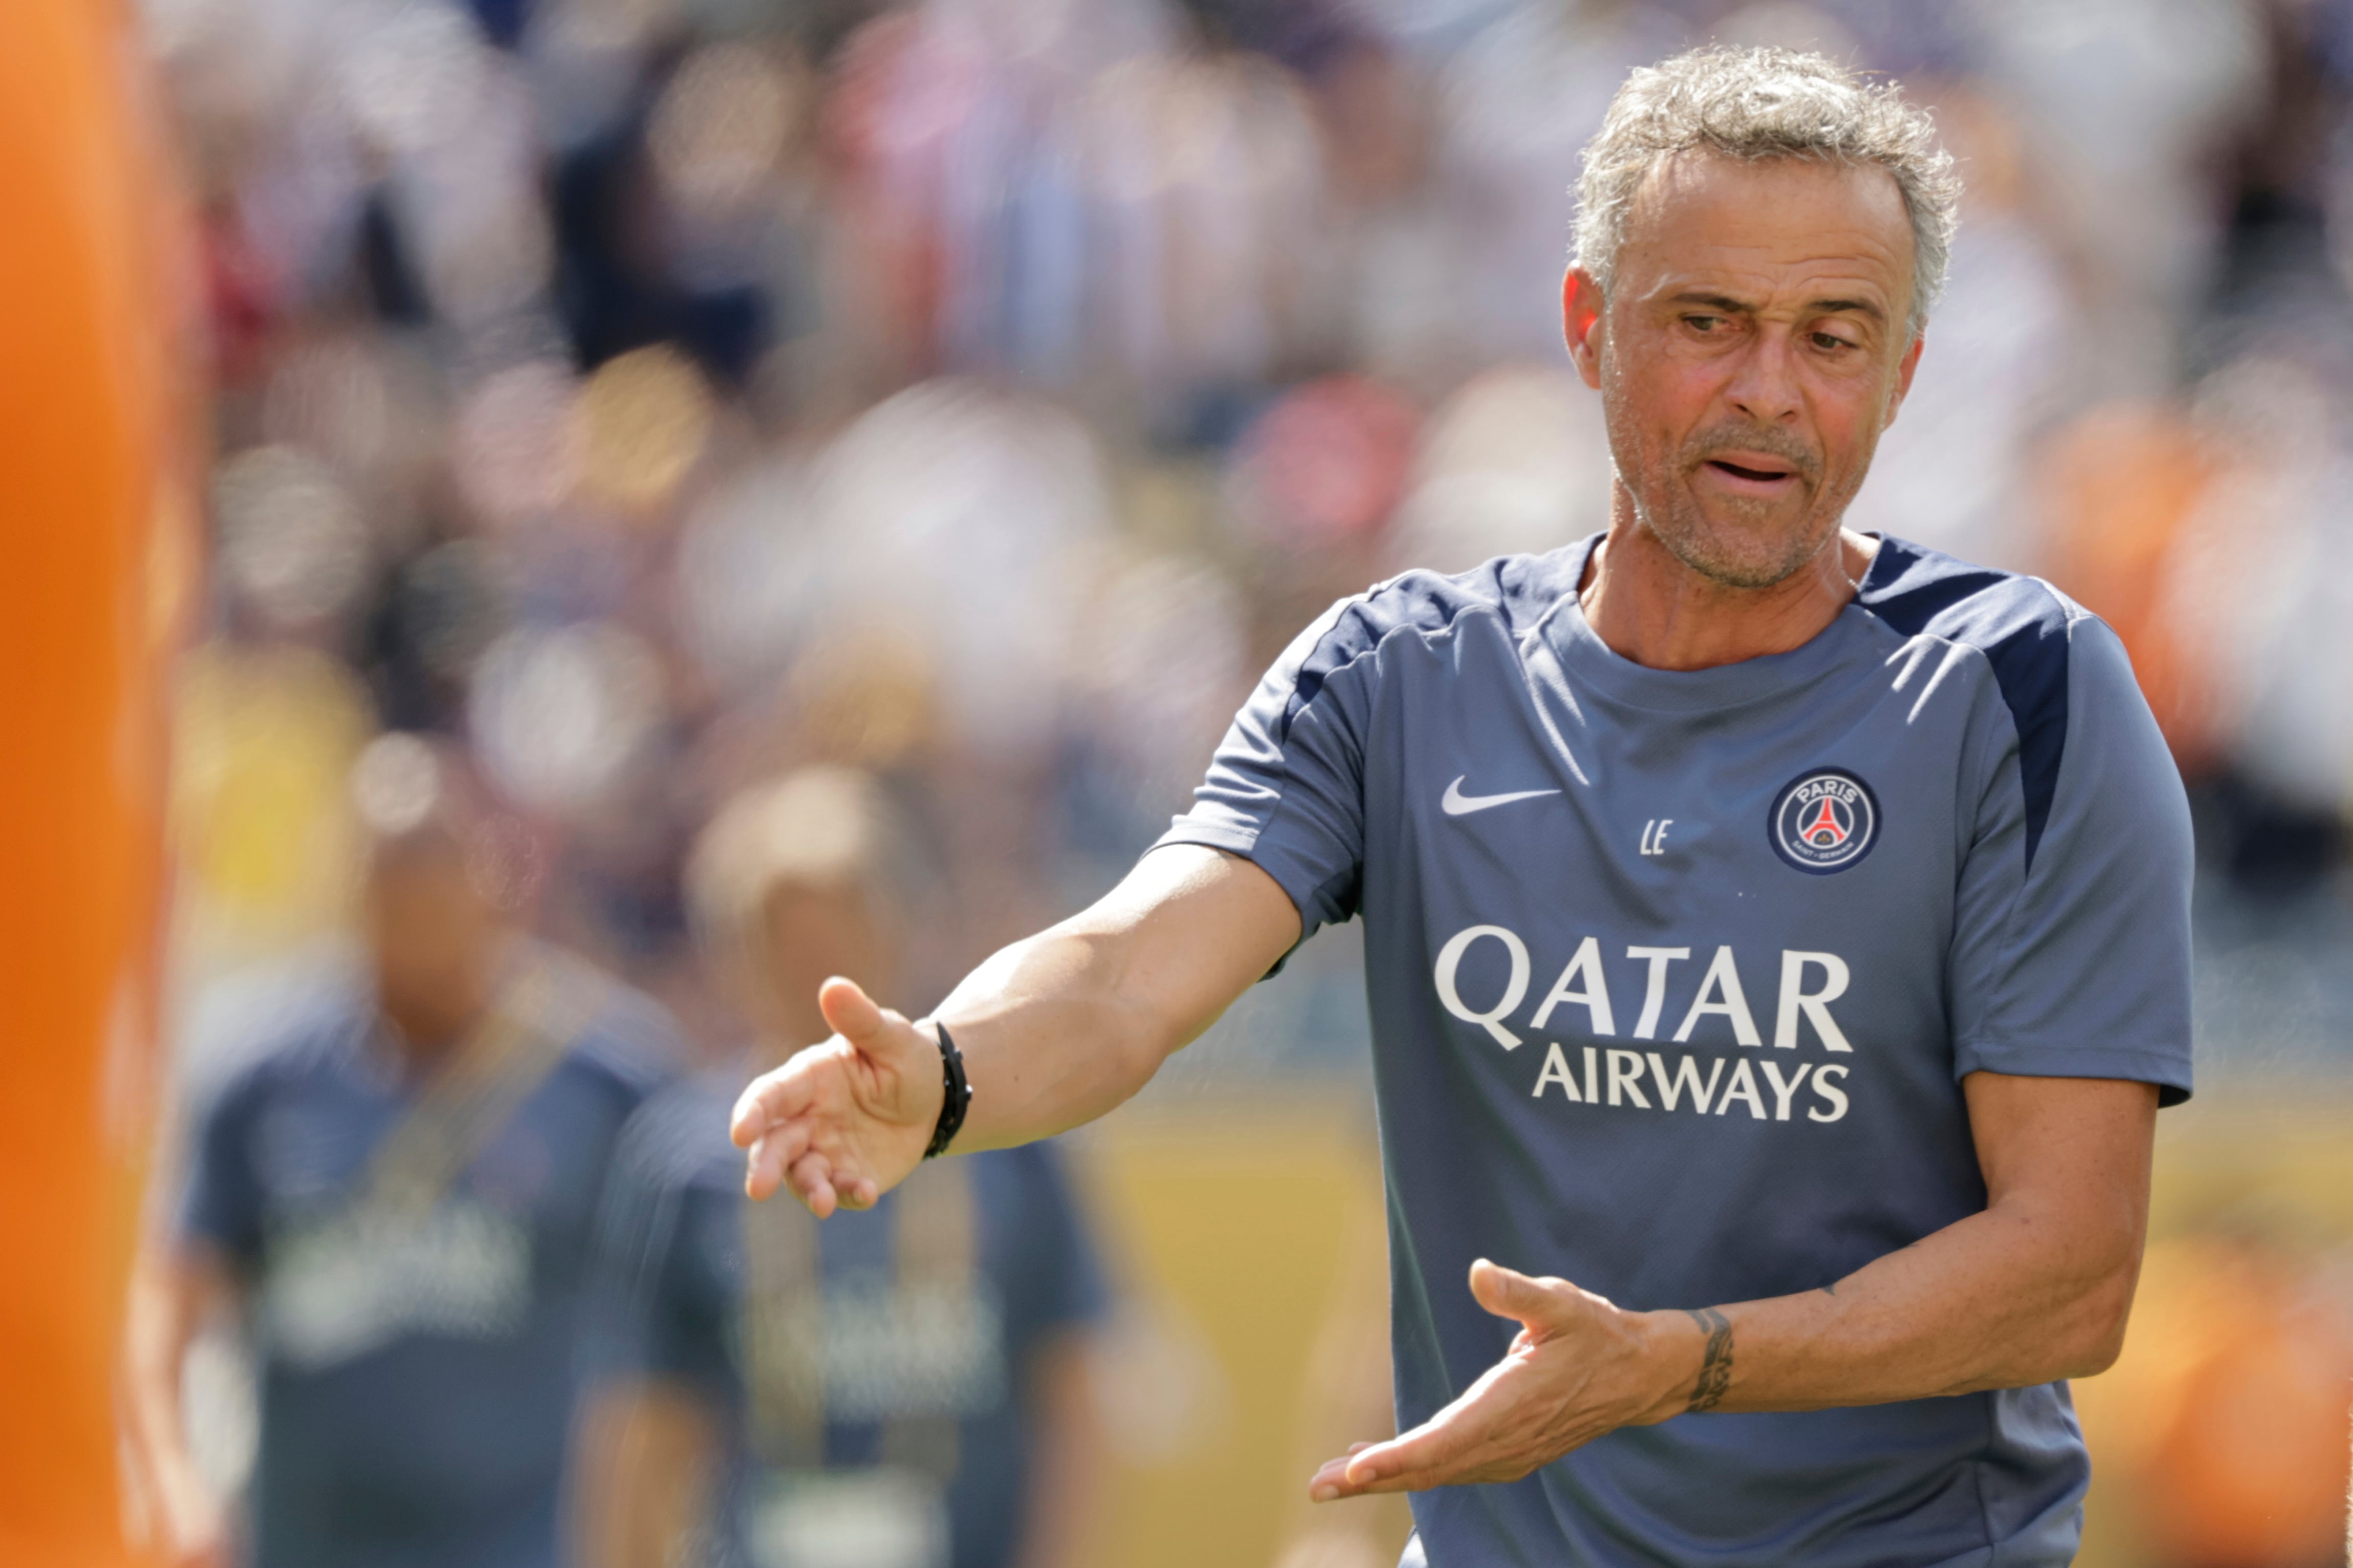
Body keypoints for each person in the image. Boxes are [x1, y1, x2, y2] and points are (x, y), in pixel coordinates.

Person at [727, 47, 2194, 1567]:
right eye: (1706, 322)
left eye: (1833, 337)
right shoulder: (1399, 675)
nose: (1769, 389)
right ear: (1587, 326)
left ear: (1902, 371)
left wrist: (1683, 1363)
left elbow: (2071, 1274)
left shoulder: (2023, 690)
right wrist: (948, 1071)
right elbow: (1128, 967)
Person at [123, 735, 680, 1568]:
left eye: (435, 882)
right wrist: (172, 1479)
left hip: (524, 1541)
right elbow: (171, 1292)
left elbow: (687, 1314)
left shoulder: (604, 1079)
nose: (416, 921)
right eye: (391, 887)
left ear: (490, 886)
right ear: (351, 899)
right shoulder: (265, 1075)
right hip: (309, 1542)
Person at [576, 766, 1107, 1568]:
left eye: (843, 939)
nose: (818, 976)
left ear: (903, 933)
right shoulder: (687, 1158)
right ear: (736, 958)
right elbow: (642, 1427)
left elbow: (1076, 1400)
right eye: (787, 946)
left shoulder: (1005, 1131)